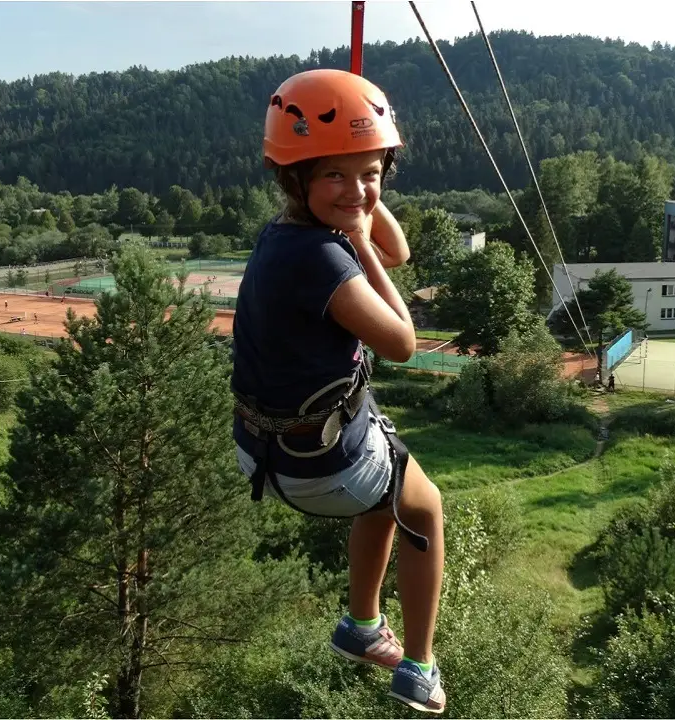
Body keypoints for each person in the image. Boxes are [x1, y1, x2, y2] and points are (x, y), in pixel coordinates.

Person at [230, 69, 445, 714]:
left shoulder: (285, 234)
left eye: (372, 174)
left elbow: (398, 250)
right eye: (334, 175)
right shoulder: (321, 258)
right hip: (320, 465)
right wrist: (358, 241)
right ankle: (419, 667)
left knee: (385, 493)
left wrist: (355, 198)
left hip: (268, 451)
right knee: (425, 508)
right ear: (295, 179)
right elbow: (402, 342)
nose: (357, 190)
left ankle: (362, 625)